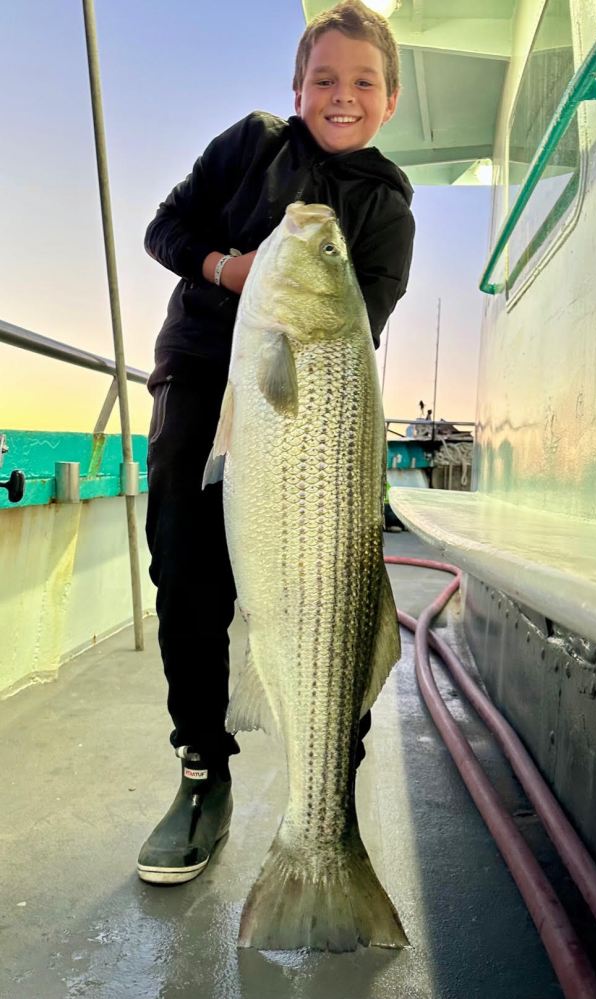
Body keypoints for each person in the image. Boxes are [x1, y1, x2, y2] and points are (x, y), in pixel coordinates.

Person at [138, 0, 415, 885]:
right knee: (185, 578)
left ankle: (326, 803)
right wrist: (229, 269)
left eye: (362, 82)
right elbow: (165, 229)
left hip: (307, 430)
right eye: (324, 79)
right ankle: (201, 777)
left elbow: (349, 328)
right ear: (296, 89)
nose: (342, 95)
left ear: (390, 100)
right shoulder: (250, 144)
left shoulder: (385, 209)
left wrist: (291, 284)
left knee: (336, 597)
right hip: (197, 385)